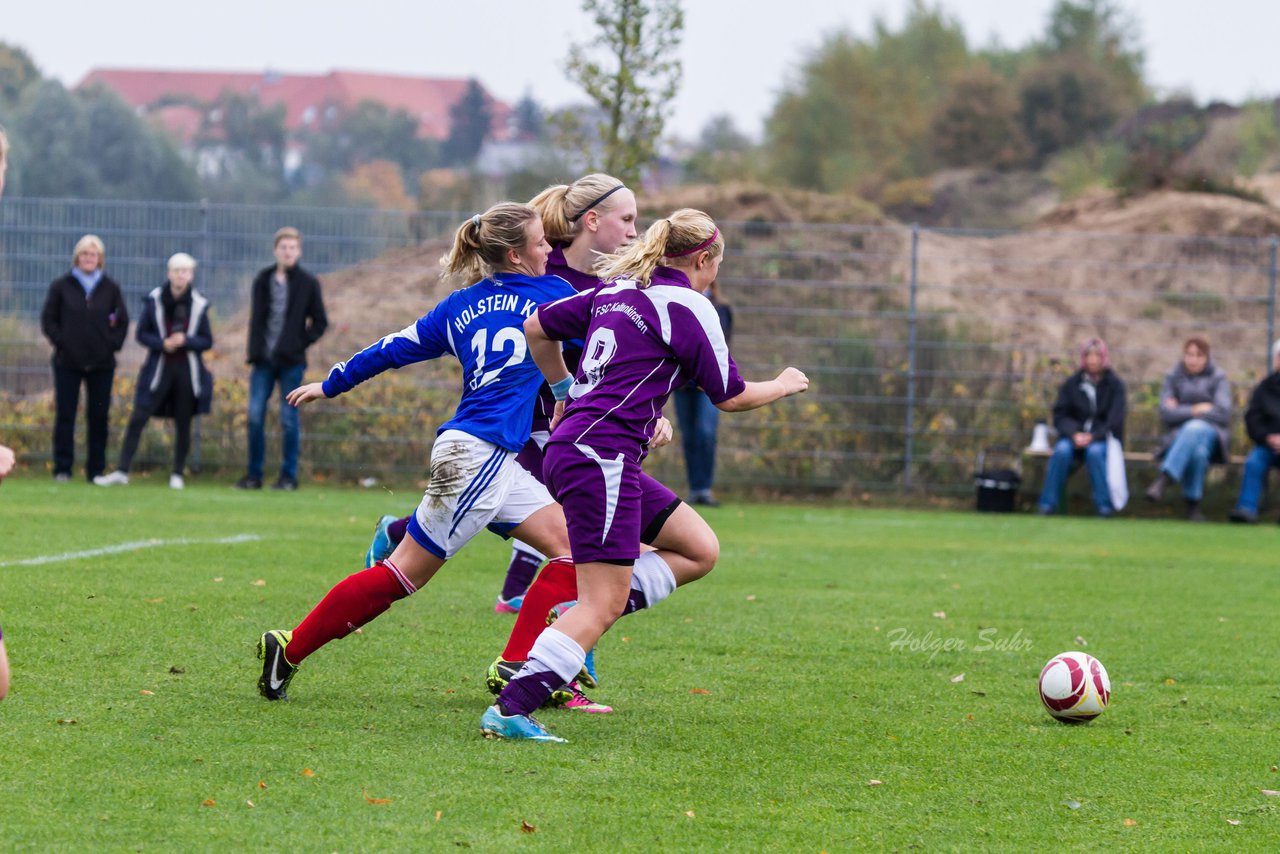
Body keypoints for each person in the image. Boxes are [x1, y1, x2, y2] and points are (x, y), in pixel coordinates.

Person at [482, 208, 809, 742]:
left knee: (699, 548)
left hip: (588, 451)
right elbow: (729, 395)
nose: (714, 277)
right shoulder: (689, 305)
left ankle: (569, 613)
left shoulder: (615, 291)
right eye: (714, 267)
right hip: (600, 457)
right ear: (704, 259)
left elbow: (536, 328)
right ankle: (512, 709)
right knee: (603, 604)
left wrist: (567, 394)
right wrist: (782, 383)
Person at [254, 203, 579, 707]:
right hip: (481, 456)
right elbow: (607, 338)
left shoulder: (460, 306)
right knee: (402, 575)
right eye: (541, 242)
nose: (550, 249)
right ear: (516, 255)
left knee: (570, 547)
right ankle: (289, 648)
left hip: (484, 454)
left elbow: (392, 346)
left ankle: (520, 662)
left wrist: (331, 384)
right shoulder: (554, 294)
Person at [365, 174, 639, 616]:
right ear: (592, 221)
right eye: (627, 219)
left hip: (559, 423)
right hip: (525, 424)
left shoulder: (606, 281)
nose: (633, 231)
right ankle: (539, 629)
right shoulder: (553, 279)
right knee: (575, 530)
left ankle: (402, 535)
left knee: (566, 531)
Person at [94, 254, 214, 490]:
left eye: (186, 271)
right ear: (169, 273)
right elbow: (142, 334)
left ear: (191, 275)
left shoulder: (199, 304)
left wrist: (186, 340)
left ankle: (177, 473)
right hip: (159, 369)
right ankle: (121, 471)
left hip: (187, 373)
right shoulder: (155, 300)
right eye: (177, 271)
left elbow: (207, 340)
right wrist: (162, 344)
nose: (181, 275)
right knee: (139, 416)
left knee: (183, 421)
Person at [236, 227, 327, 491]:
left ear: (298, 251)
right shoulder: (262, 280)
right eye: (283, 247)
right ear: (276, 250)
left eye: (292, 248)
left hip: (291, 362)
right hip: (262, 361)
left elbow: (320, 322)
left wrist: (299, 342)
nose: (287, 252)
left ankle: (288, 477)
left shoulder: (308, 283)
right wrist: (254, 350)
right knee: (254, 415)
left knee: (289, 419)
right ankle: (254, 476)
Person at [40, 235, 130, 482]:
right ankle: (63, 468)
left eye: (93, 255)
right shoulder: (61, 286)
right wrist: (63, 343)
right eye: (84, 254)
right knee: (66, 415)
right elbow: (49, 320)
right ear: (77, 257)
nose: (88, 259)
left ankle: (96, 470)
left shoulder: (111, 288)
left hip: (101, 364)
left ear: (100, 259)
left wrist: (112, 344)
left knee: (99, 416)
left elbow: (121, 320)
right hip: (68, 362)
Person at [1036, 338, 1127, 517]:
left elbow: (1115, 420)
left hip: (1102, 439)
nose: (1092, 360)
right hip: (1073, 438)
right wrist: (1074, 434)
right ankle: (1047, 504)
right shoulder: (1072, 384)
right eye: (1088, 355)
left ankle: (1104, 507)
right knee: (1061, 451)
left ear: (1104, 358)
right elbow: (1060, 415)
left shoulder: (1115, 386)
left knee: (1094, 453)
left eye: (1096, 355)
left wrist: (1093, 436)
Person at [1143, 337, 1232, 521]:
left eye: (1198, 355)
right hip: (1178, 437)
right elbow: (1166, 413)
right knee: (1197, 452)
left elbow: (1223, 413)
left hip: (1213, 435)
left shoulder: (1218, 377)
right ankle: (1193, 507)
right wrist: (1196, 409)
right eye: (1189, 355)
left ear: (1207, 357)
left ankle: (1165, 478)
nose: (1193, 359)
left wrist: (1181, 410)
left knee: (1194, 428)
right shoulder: (1173, 376)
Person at [673, 277, 733, 506]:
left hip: (707, 385)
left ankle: (705, 488)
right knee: (689, 436)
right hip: (683, 384)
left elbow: (721, 344)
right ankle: (696, 488)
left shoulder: (720, 308)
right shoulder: (678, 303)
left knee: (706, 433)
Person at [1229, 339, 1280, 524]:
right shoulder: (1264, 388)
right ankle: (1247, 509)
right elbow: (1252, 418)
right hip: (1267, 446)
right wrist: (1268, 437)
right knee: (1253, 462)